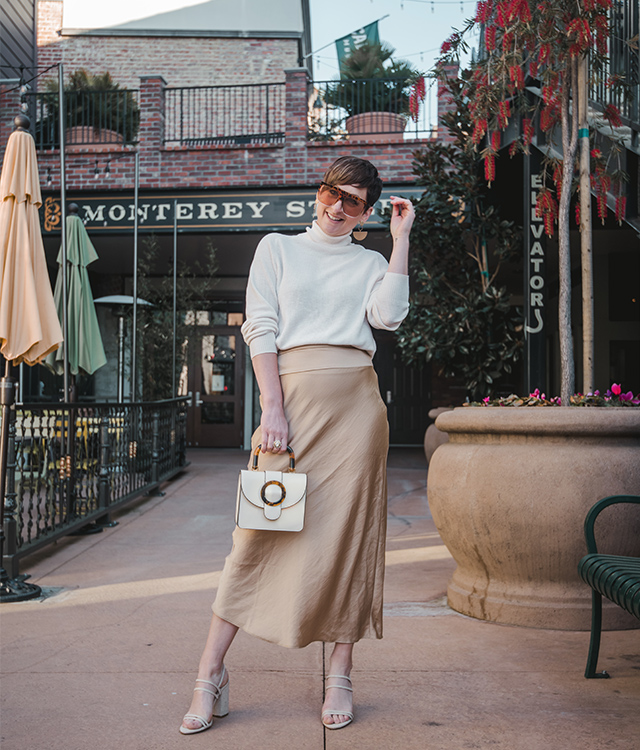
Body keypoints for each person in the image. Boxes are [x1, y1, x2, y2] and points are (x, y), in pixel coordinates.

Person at [180, 155, 414, 735]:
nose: (338, 207)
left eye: (354, 201)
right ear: (319, 191)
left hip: (358, 412)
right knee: (256, 538)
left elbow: (388, 318)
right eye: (333, 193)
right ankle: (210, 673)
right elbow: (260, 326)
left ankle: (340, 672)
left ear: (368, 211)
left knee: (347, 541)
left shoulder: (370, 260)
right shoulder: (276, 248)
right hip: (293, 406)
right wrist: (272, 410)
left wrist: (402, 240)